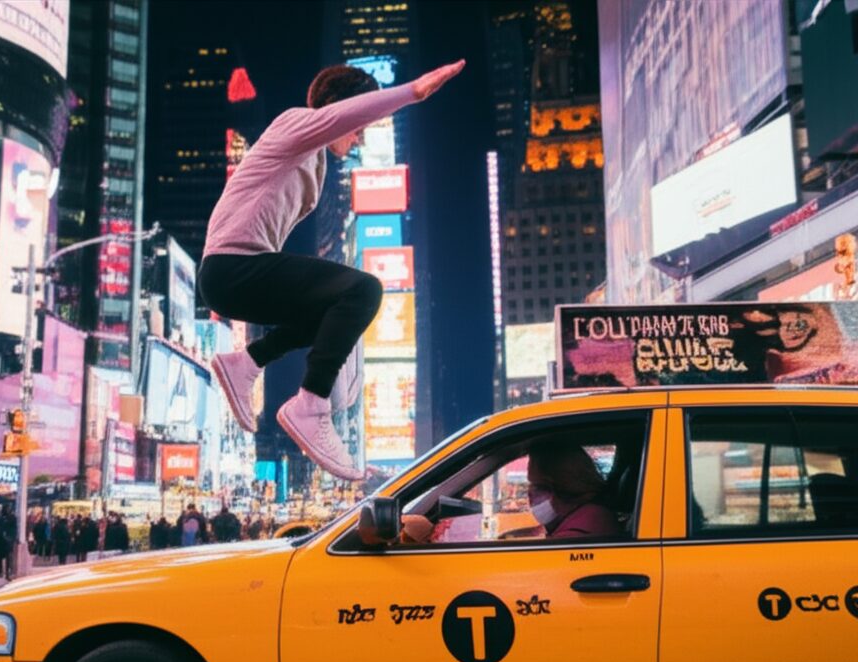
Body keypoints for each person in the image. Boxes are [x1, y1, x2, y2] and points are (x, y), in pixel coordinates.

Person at [200, 60, 465, 481]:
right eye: (357, 126)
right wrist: (412, 92)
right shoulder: (297, 123)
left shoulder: (314, 159)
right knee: (364, 289)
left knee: (334, 310)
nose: (359, 137)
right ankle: (311, 403)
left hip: (237, 275)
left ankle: (247, 361)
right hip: (232, 269)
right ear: (338, 107)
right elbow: (345, 116)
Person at [526, 442, 622, 539]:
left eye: (539, 487)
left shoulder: (574, 536)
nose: (530, 494)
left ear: (566, 487)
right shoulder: (597, 515)